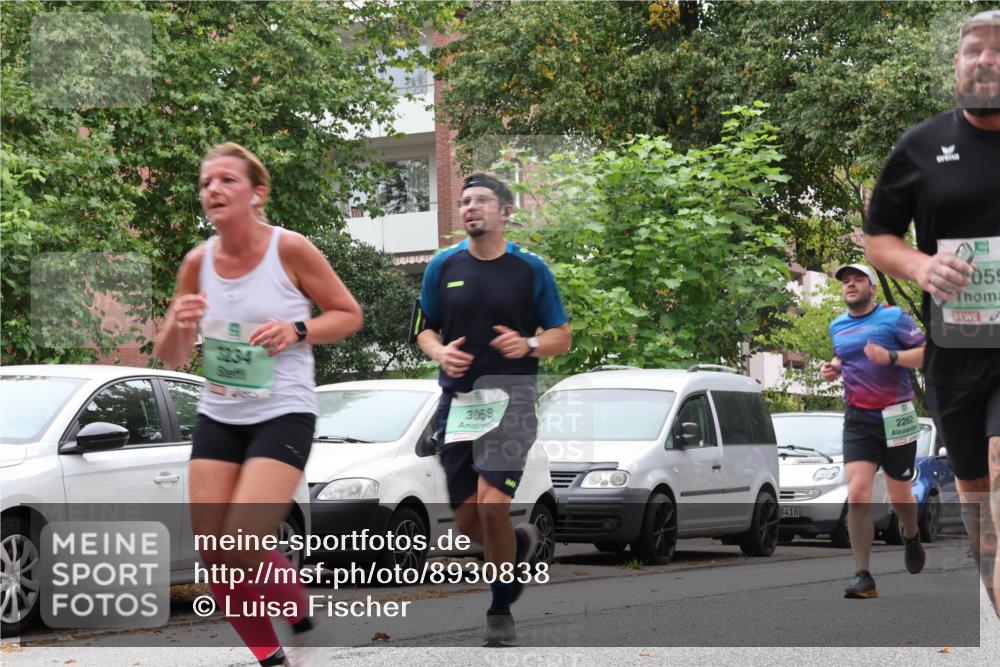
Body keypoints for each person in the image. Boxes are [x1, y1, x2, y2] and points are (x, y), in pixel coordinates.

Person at [155, 142, 363, 666]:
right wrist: (177, 326)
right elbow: (171, 357)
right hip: (220, 414)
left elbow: (347, 314)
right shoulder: (196, 263)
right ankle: (271, 658)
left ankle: (297, 610)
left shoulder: (290, 249)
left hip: (283, 410)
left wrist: (298, 329)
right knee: (215, 556)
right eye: (206, 183)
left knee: (244, 542)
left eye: (227, 180)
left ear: (257, 193)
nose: (214, 190)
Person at [863, 10, 1000, 616]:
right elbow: (878, 238)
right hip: (956, 353)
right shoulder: (920, 147)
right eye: (973, 49)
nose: (985, 59)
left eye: (998, 51)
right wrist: (919, 267)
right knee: (981, 510)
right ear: (956, 62)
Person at [417, 173, 571, 646]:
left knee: (492, 505)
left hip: (513, 400)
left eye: (482, 200)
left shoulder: (530, 269)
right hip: (459, 404)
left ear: (506, 211)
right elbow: (426, 331)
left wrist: (526, 344)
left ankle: (499, 607)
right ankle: (517, 546)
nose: (471, 207)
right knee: (469, 523)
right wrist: (441, 353)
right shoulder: (442, 266)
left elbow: (561, 337)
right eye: (464, 201)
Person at [820, 264, 928, 598]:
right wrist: (834, 367)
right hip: (859, 418)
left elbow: (926, 355)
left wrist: (891, 356)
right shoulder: (837, 325)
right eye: (845, 282)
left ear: (872, 288)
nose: (850, 285)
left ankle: (911, 534)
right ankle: (863, 576)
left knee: (900, 496)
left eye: (857, 280)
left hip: (897, 414)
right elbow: (844, 356)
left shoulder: (894, 318)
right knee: (858, 491)